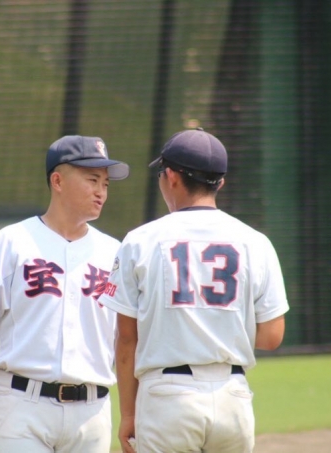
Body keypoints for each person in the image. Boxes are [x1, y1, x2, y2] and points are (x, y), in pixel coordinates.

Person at [99, 127, 289, 453]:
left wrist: (128, 414)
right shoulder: (256, 241)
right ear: (220, 183)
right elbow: (272, 336)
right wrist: (219, 327)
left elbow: (127, 339)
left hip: (167, 397)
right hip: (232, 396)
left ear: (171, 177)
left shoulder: (140, 240)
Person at [0, 135, 129, 452]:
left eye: (105, 183)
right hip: (21, 405)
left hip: (92, 412)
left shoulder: (114, 252)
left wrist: (132, 410)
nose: (101, 191)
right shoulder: (14, 240)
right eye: (92, 180)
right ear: (57, 181)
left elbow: (128, 337)